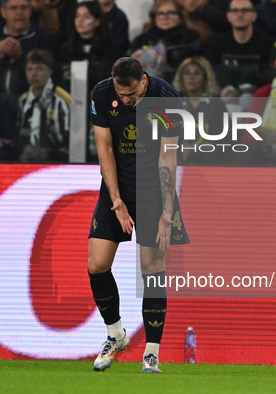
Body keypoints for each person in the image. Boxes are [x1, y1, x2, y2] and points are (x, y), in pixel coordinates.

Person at [88, 57, 189, 373]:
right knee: (97, 264)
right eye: (122, 94)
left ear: (143, 81)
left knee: (152, 267)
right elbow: (104, 146)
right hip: (116, 187)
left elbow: (167, 156)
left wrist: (166, 211)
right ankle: (115, 334)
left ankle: (152, 353)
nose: (126, 101)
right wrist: (115, 199)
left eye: (131, 95)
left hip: (153, 190)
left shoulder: (167, 98)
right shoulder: (103, 93)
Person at [0, 0, 59, 101]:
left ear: (30, 11)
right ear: (3, 12)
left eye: (24, 8)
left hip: (31, 101)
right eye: (13, 8)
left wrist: (21, 57)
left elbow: (51, 74)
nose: (19, 12)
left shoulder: (45, 37)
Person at [172, 56, 230, 164]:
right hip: (181, 162)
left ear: (205, 78)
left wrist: (199, 148)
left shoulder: (216, 106)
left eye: (197, 73)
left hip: (210, 161)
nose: (191, 77)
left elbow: (225, 142)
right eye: (187, 73)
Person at [208, 0, 275, 91]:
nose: (240, 14)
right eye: (235, 11)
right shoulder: (217, 46)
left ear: (254, 16)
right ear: (228, 16)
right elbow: (211, 79)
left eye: (245, 10)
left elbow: (269, 80)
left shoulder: (268, 45)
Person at [130, 0, 203, 81]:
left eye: (171, 12)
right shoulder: (141, 40)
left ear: (181, 16)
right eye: (160, 13)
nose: (165, 17)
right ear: (154, 17)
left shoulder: (191, 37)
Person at [18, 49, 70, 162]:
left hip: (58, 161)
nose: (34, 74)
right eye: (29, 69)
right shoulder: (23, 100)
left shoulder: (63, 100)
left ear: (49, 72)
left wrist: (49, 154)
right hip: (29, 159)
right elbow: (21, 132)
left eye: (39, 69)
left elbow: (70, 139)